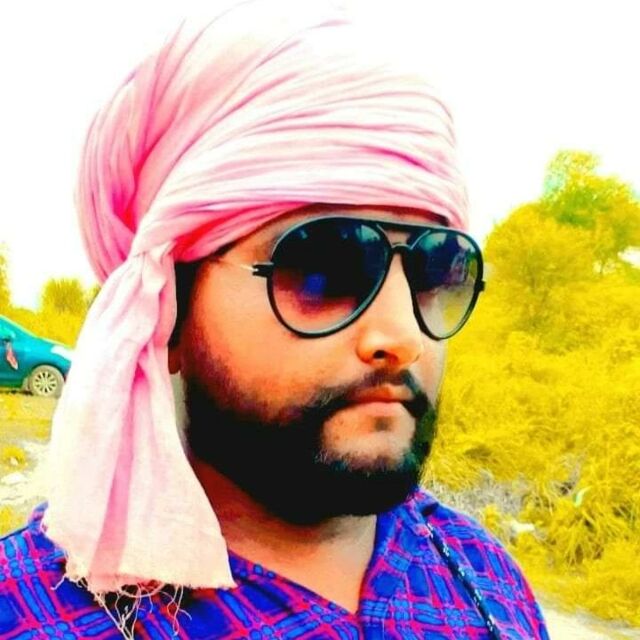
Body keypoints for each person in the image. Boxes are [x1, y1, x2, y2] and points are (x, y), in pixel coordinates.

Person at [0, 2, 549, 638]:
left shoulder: (485, 576)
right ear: (167, 313)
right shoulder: (30, 612)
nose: (403, 335)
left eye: (434, 270)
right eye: (324, 268)